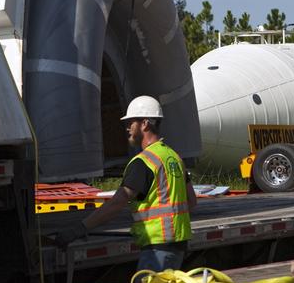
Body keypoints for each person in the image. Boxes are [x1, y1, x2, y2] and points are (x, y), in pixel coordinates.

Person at [54, 95, 196, 272]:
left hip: (157, 246)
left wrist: (79, 229)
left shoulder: (144, 162)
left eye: (131, 122)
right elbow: (191, 201)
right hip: (177, 244)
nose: (127, 128)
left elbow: (117, 202)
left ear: (145, 124)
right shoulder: (174, 157)